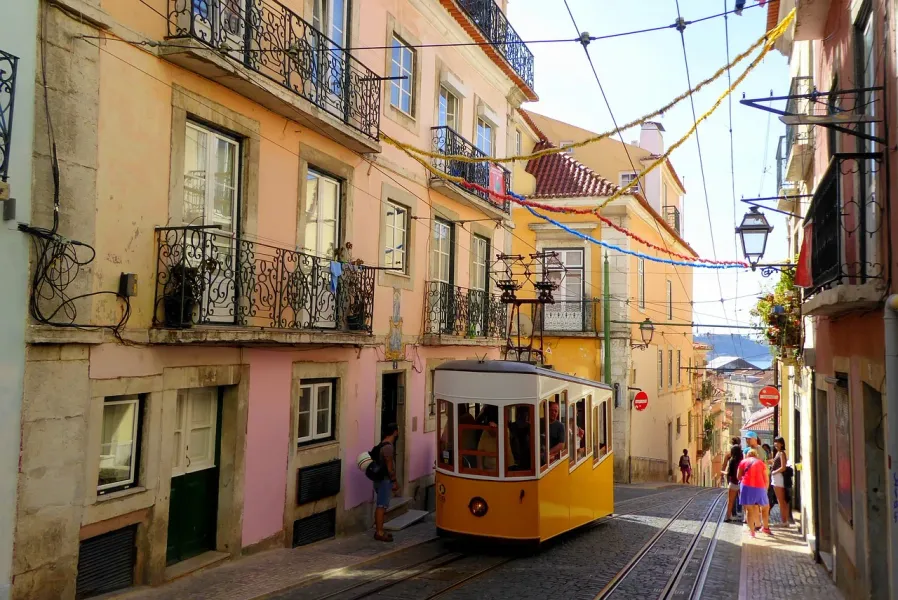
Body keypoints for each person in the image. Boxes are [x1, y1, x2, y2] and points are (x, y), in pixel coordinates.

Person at [372, 423, 400, 542]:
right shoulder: (388, 447)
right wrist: (394, 481)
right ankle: (379, 532)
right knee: (381, 506)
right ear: (395, 432)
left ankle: (380, 530)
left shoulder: (381, 444)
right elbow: (389, 468)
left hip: (379, 480)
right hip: (384, 480)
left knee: (382, 505)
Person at [738, 448, 772, 538]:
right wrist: (766, 489)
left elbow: (738, 476)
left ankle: (752, 532)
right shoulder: (761, 463)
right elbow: (766, 478)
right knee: (765, 508)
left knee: (750, 510)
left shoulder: (743, 462)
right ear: (756, 455)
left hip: (746, 487)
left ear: (747, 455)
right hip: (760, 487)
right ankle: (765, 527)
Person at [743, 431, 770, 529]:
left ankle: (760, 524)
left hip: (760, 480)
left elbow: (762, 464)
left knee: (760, 504)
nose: (747, 440)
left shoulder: (761, 450)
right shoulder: (746, 450)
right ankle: (757, 524)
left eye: (749, 438)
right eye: (746, 439)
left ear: (755, 439)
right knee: (753, 504)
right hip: (750, 480)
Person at [770, 436, 791, 526]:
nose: (775, 444)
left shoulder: (782, 453)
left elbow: (783, 467)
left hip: (778, 478)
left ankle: (784, 521)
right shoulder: (778, 453)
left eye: (777, 442)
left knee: (781, 500)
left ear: (781, 444)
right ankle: (784, 520)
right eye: (775, 442)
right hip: (776, 478)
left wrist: (774, 472)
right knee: (782, 500)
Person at [722, 437, 743, 521]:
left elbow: (729, 472)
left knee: (730, 501)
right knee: (743, 500)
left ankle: (728, 516)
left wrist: (722, 473)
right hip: (742, 483)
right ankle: (744, 517)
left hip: (733, 482)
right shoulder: (743, 460)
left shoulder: (731, 460)